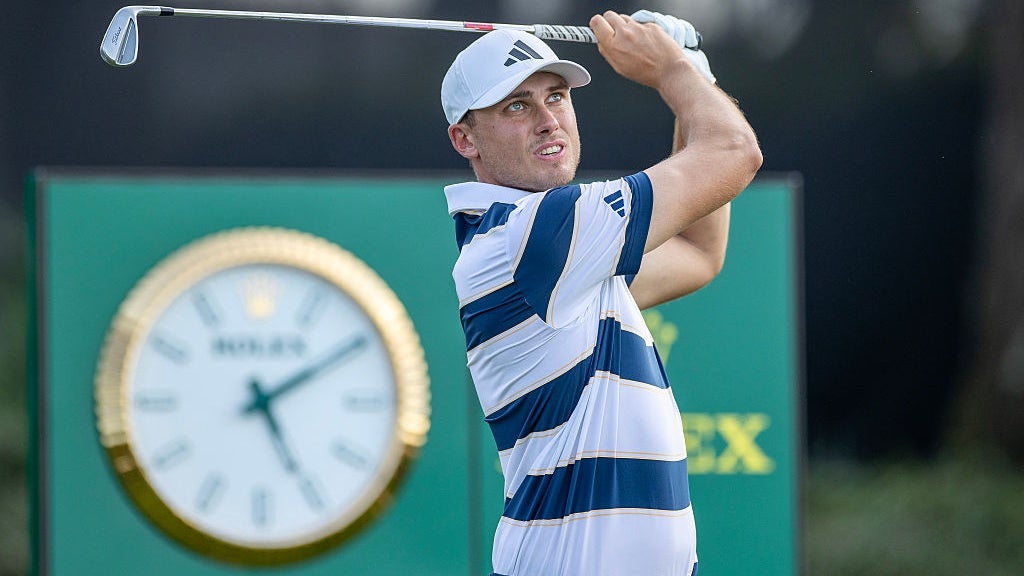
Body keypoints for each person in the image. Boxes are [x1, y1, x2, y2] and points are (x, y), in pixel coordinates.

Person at [440, 9, 761, 576]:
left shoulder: (562, 254)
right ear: (465, 139)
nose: (547, 120)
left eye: (557, 96)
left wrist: (696, 75)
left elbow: (697, 253)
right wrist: (673, 72)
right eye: (517, 105)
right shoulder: (536, 236)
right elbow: (736, 153)